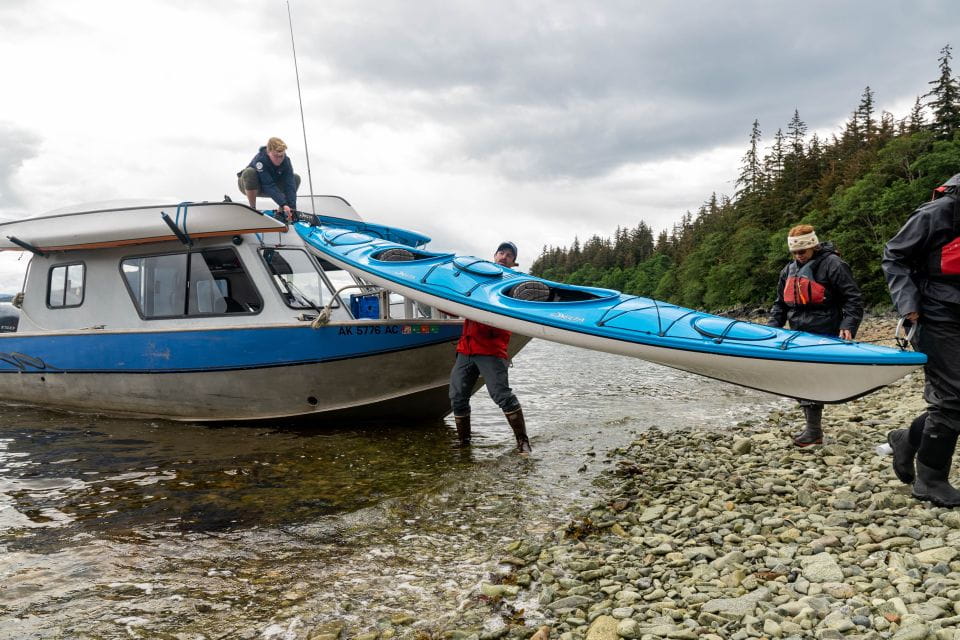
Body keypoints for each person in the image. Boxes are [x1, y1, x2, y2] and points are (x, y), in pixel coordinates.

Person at [883, 173, 960, 508]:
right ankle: (930, 481)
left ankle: (906, 439)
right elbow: (894, 256)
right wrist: (909, 305)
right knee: (954, 397)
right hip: (934, 312)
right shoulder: (936, 213)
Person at [769, 224, 864, 447]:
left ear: (813, 245)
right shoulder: (788, 270)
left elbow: (853, 299)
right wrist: (772, 329)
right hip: (798, 333)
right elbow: (780, 305)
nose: (798, 256)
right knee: (800, 378)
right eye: (794, 252)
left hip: (826, 331)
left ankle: (813, 431)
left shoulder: (834, 265)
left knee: (809, 377)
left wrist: (848, 325)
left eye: (802, 252)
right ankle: (813, 430)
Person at [449, 241, 531, 454]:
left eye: (509, 255)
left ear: (514, 263)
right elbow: (452, 308)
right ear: (494, 256)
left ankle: (523, 441)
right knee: (457, 396)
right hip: (466, 349)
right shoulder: (476, 280)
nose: (504, 256)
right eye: (501, 252)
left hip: (492, 349)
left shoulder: (513, 284)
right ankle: (464, 443)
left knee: (501, 395)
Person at [237, 137, 301, 221]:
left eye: (281, 156)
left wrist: (292, 207)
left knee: (295, 178)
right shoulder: (260, 160)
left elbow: (290, 185)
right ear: (268, 152)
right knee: (250, 172)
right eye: (276, 156)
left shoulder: (286, 161)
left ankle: (281, 214)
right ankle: (252, 209)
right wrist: (283, 203)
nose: (279, 159)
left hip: (271, 187)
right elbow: (268, 185)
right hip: (249, 186)